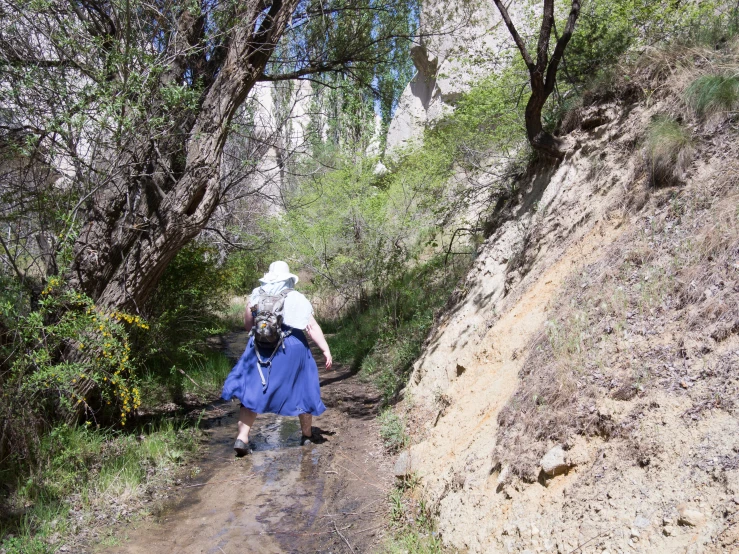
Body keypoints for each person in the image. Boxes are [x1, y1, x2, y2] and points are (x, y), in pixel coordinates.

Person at [221, 261, 332, 457]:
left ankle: (242, 438)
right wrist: (325, 349)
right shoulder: (296, 297)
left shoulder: (256, 294)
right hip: (292, 347)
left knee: (252, 390)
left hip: (259, 347)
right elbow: (311, 327)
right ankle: (306, 435)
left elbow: (248, 325)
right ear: (288, 278)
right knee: (303, 387)